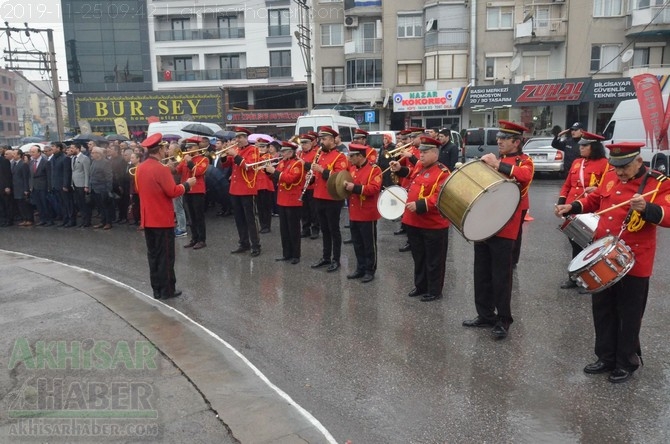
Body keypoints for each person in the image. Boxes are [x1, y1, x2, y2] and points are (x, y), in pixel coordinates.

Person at [555, 142, 670, 383]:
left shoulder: (658, 183)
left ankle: (626, 361)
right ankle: (605, 357)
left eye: (624, 167)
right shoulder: (611, 175)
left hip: (635, 259)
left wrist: (648, 208)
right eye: (616, 167)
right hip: (604, 255)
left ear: (639, 161)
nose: (619, 172)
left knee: (629, 313)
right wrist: (573, 206)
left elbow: (668, 215)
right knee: (603, 309)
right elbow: (595, 198)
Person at [462, 121, 534, 339]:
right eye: (499, 138)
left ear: (516, 141)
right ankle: (484, 314)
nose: (499, 142)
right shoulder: (499, 160)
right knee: (481, 272)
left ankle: (503, 319)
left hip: (505, 226)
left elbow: (524, 176)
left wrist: (497, 165)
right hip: (485, 222)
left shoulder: (524, 161)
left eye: (504, 139)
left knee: (501, 276)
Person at [135, 133, 196, 300]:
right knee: (166, 257)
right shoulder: (160, 169)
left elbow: (141, 190)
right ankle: (167, 290)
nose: (165, 151)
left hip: (148, 219)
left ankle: (156, 289)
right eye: (164, 148)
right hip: (162, 219)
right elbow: (173, 191)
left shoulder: (140, 167)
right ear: (160, 149)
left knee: (153, 256)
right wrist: (187, 185)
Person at [389, 136, 450, 301]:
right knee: (419, 257)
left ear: (435, 153)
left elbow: (441, 196)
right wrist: (399, 168)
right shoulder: (419, 165)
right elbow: (412, 176)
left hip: (433, 224)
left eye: (425, 152)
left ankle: (434, 290)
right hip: (414, 221)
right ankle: (420, 285)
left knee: (434, 260)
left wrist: (421, 205)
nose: (420, 155)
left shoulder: (443, 172)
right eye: (421, 151)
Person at [557, 131, 610, 292]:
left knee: (589, 247)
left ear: (593, 147)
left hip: (590, 210)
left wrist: (597, 188)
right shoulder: (577, 163)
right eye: (580, 145)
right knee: (575, 244)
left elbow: (608, 187)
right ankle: (574, 277)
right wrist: (561, 202)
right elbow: (567, 185)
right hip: (572, 209)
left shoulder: (605, 164)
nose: (581, 148)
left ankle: (589, 280)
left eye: (584, 145)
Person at [309, 126, 350, 272]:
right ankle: (326, 257)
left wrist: (322, 170)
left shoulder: (340, 157)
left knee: (333, 229)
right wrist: (312, 176)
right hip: (319, 196)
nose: (321, 142)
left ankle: (336, 259)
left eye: (324, 139)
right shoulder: (321, 154)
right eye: (321, 139)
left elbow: (340, 177)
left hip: (332, 197)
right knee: (324, 229)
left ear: (332, 140)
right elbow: (318, 176)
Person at [342, 143, 382, 283]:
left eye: (352, 156)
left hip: (367, 212)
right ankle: (360, 268)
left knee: (369, 243)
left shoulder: (374, 170)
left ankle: (370, 270)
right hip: (354, 212)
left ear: (360, 156)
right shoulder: (352, 169)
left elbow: (374, 188)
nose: (349, 159)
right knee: (357, 243)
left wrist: (355, 188)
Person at [223, 126, 262, 257]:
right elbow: (225, 164)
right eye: (236, 137)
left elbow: (249, 167)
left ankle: (256, 244)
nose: (237, 140)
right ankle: (244, 243)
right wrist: (224, 155)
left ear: (246, 138)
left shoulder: (253, 150)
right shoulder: (236, 150)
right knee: (239, 218)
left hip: (247, 188)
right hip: (235, 189)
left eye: (240, 137)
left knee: (250, 218)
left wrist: (235, 154)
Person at [265, 141, 304, 264]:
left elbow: (290, 179)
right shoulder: (282, 163)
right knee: (284, 229)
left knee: (294, 229)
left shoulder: (297, 164)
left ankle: (296, 255)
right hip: (282, 199)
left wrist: (274, 171)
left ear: (290, 152)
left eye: (283, 151)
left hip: (292, 200)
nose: (281, 153)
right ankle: (286, 253)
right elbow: (276, 177)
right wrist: (268, 171)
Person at [176, 136, 209, 249]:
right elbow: (177, 170)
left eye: (190, 147)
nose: (188, 149)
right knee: (191, 216)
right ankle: (194, 238)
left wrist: (189, 161)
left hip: (197, 191)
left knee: (198, 216)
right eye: (187, 147)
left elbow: (198, 172)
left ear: (196, 147)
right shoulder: (185, 159)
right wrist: (170, 165)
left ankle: (202, 239)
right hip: (186, 190)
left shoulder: (203, 159)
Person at [297, 132, 320, 239]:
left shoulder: (316, 153)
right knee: (303, 210)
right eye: (302, 143)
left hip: (312, 185)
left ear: (311, 143)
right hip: (301, 185)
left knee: (313, 209)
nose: (303, 145)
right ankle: (305, 229)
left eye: (305, 143)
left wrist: (304, 164)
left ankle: (315, 229)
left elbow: (315, 167)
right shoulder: (299, 154)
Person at [254, 137, 275, 233]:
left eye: (263, 147)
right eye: (259, 147)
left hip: (266, 185)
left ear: (267, 148)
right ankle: (263, 225)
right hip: (257, 185)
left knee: (266, 207)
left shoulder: (268, 157)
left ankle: (267, 225)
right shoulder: (255, 156)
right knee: (260, 207)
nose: (261, 149)